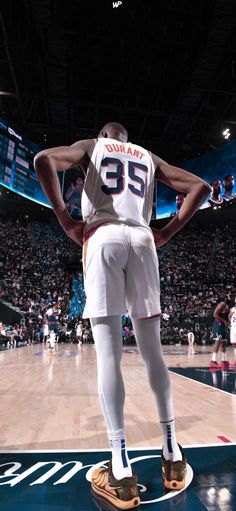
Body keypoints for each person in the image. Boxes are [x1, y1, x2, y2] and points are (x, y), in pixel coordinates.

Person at [34, 121, 211, 509]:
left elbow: (43, 159)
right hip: (143, 239)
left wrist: (65, 218)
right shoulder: (148, 157)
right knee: (153, 353)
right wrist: (168, 230)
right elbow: (202, 187)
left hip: (104, 236)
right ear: (129, 140)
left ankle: (120, 467)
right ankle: (172, 457)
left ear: (104, 136)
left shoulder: (92, 146)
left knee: (109, 354)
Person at [209, 296, 230, 369]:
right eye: (227, 297)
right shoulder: (221, 304)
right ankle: (213, 361)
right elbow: (215, 314)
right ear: (225, 299)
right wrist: (224, 321)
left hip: (223, 326)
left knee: (223, 343)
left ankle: (224, 360)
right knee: (217, 342)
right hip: (218, 324)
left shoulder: (227, 306)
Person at [229, 296, 236, 367]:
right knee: (234, 344)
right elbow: (229, 317)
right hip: (233, 327)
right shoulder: (232, 309)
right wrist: (230, 315)